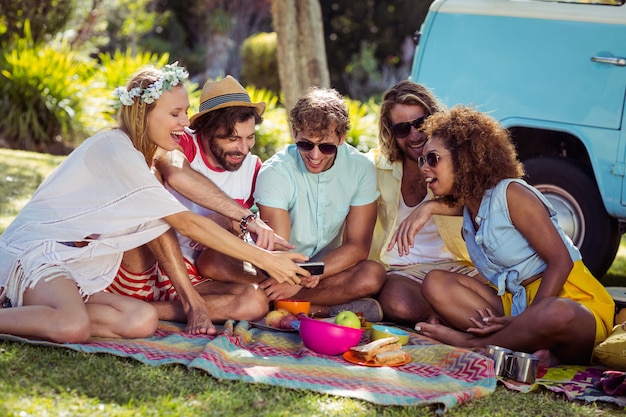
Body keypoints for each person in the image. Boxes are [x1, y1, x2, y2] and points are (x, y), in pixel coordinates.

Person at [0, 62, 308, 343]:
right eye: (175, 114)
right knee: (73, 327)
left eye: (185, 111)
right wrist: (266, 260)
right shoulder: (116, 149)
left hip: (84, 270)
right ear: (142, 113)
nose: (186, 122)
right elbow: (185, 222)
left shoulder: (146, 154)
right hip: (44, 256)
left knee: (141, 320)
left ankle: (47, 312)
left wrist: (250, 226)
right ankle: (41, 311)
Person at [395, 105, 614, 365]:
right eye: (422, 160)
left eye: (432, 159)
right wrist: (429, 208)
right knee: (435, 283)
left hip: (566, 299)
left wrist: (529, 318)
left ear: (465, 158)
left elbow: (562, 261)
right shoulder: (470, 206)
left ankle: (474, 343)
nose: (424, 168)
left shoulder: (513, 194)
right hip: (513, 303)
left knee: (558, 313)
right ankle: (530, 346)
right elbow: (469, 205)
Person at [109, 76, 294, 327]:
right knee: (152, 197)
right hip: (147, 260)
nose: (243, 148)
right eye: (232, 138)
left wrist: (233, 225)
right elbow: (177, 175)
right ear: (205, 131)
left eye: (249, 137)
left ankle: (144, 309)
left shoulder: (252, 169)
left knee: (255, 302)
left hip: (194, 273)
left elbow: (236, 240)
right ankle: (181, 304)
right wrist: (244, 217)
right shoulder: (178, 142)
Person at [202, 87, 387, 322]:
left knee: (373, 274)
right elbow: (279, 248)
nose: (316, 155)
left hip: (326, 269)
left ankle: (277, 305)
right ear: (294, 133)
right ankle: (320, 310)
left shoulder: (361, 168)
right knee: (211, 261)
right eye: (306, 144)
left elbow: (357, 247)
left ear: (342, 138)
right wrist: (293, 278)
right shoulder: (276, 170)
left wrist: (304, 278)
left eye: (327, 147)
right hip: (271, 266)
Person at [367, 81, 476, 325]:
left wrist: (431, 207)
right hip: (403, 271)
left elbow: (480, 199)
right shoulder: (374, 167)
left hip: (457, 265)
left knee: (500, 293)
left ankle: (448, 320)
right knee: (397, 301)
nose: (415, 135)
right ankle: (451, 321)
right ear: (390, 133)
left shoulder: (455, 162)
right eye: (403, 129)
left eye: (421, 124)